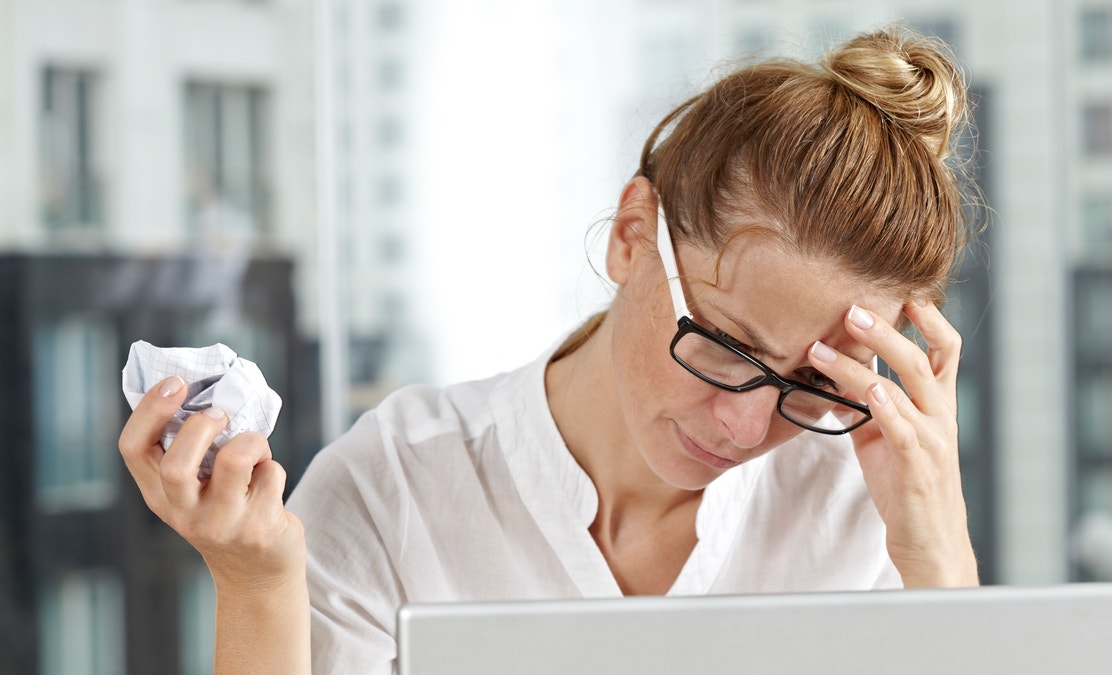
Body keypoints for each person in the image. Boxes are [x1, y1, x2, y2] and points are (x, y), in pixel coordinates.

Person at [120, 25, 980, 675]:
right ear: (633, 234)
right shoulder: (399, 484)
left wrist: (941, 562)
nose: (750, 424)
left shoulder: (865, 515)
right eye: (724, 345)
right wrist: (257, 584)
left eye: (811, 383)